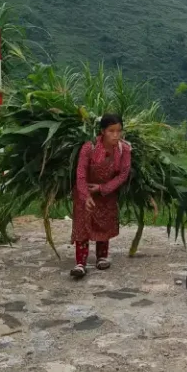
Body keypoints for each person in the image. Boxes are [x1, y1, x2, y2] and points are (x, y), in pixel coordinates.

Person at [70, 114, 132, 279]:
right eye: (111, 131)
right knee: (83, 224)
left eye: (118, 131)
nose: (115, 135)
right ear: (103, 131)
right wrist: (85, 196)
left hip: (106, 194)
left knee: (104, 224)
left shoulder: (124, 149)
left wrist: (103, 188)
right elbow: (81, 174)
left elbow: (123, 175)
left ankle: (101, 257)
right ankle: (80, 263)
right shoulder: (89, 147)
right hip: (85, 192)